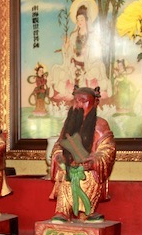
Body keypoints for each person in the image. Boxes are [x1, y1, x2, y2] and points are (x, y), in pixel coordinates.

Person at [49, 86, 116, 223]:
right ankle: (63, 212)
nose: (79, 105)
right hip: (69, 167)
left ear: (95, 102)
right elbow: (58, 145)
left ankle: (87, 212)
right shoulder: (69, 124)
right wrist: (59, 156)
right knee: (66, 177)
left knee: (89, 177)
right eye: (76, 101)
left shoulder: (101, 125)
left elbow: (108, 149)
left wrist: (94, 161)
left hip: (88, 169)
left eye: (83, 101)